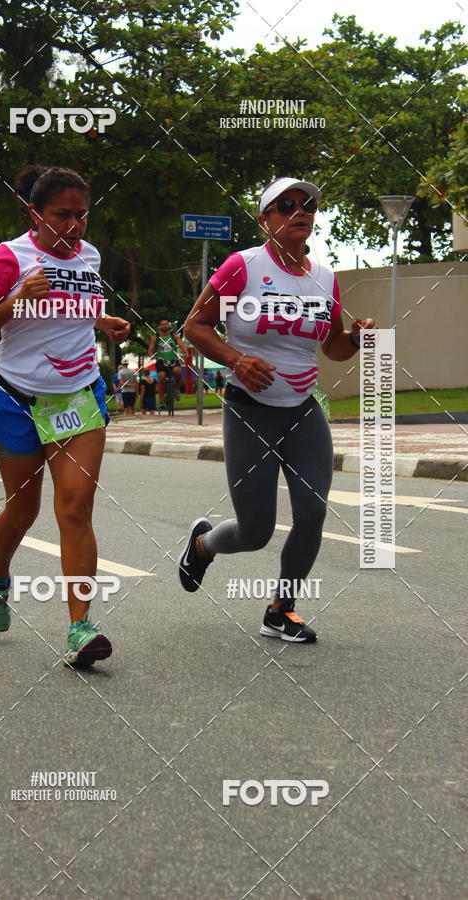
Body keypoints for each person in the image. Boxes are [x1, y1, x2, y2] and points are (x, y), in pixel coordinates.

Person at [178, 176, 375, 643]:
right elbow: (195, 326)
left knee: (311, 513)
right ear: (265, 219)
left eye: (306, 204)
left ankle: (281, 610)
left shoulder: (324, 278)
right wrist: (237, 360)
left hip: (304, 411)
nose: (298, 211)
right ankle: (204, 545)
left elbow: (333, 348)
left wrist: (355, 339)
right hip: (250, 411)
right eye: (285, 205)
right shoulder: (242, 268)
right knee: (256, 530)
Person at [0, 165, 130, 667]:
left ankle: (80, 627)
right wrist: (16, 300)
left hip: (78, 397)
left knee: (75, 508)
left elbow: (73, 305)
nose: (75, 225)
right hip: (15, 398)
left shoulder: (91, 256)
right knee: (24, 508)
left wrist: (103, 320)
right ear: (35, 212)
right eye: (63, 215)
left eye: (82, 215)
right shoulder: (9, 256)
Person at [147, 318, 187, 408]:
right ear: (159, 327)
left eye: (166, 324)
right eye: (162, 324)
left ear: (169, 326)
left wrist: (185, 352)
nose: (164, 326)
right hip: (161, 361)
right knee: (161, 377)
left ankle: (176, 389)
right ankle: (161, 400)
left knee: (178, 371)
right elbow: (150, 350)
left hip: (173, 359)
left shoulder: (174, 336)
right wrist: (151, 356)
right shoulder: (156, 337)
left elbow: (181, 344)